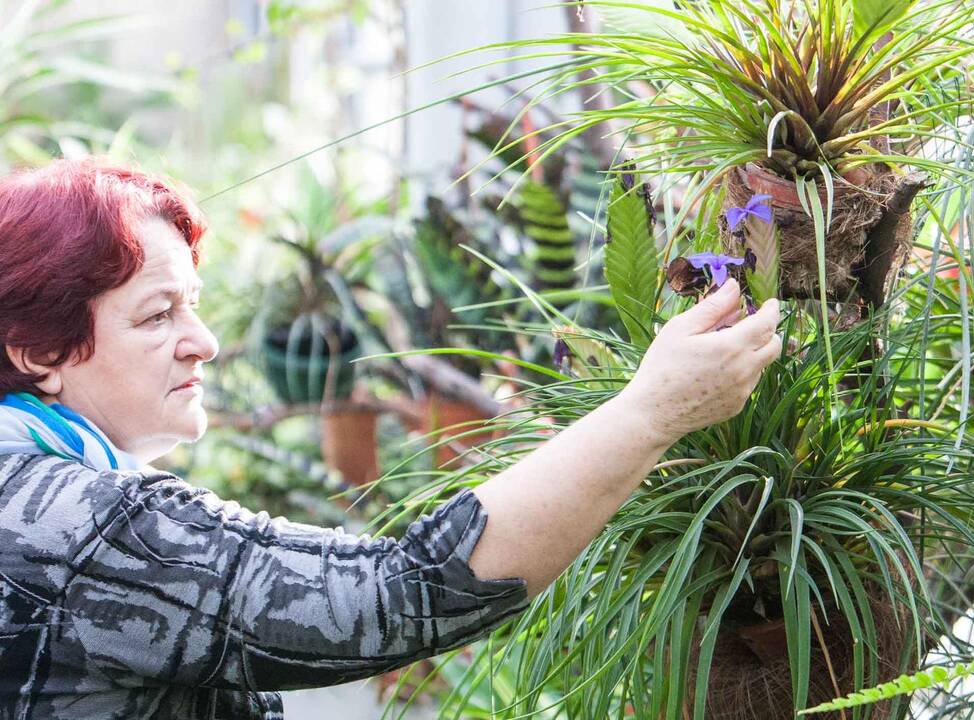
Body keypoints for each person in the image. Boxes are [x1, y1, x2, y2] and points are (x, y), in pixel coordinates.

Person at [0, 159, 781, 719]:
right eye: (156, 313)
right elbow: (399, 594)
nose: (202, 340)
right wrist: (648, 413)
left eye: (192, 304)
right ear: (38, 350)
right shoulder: (62, 521)